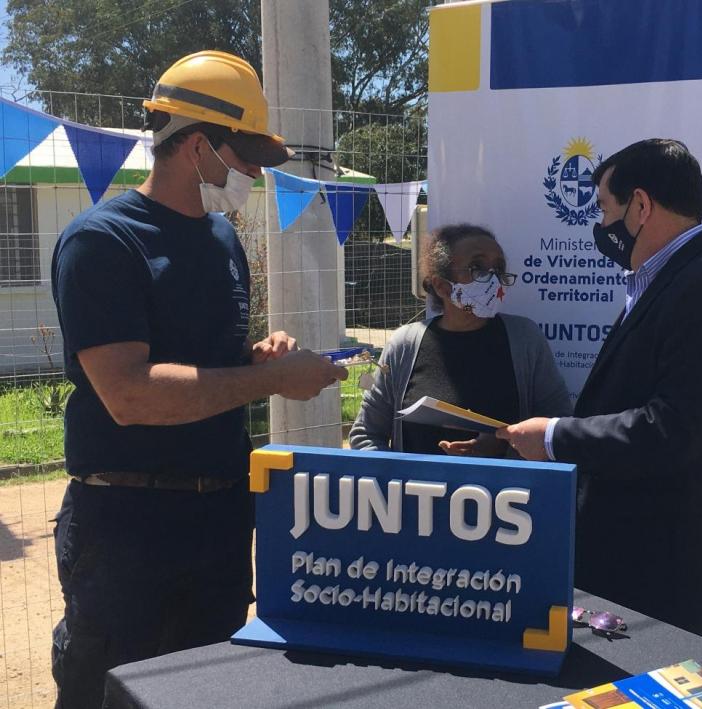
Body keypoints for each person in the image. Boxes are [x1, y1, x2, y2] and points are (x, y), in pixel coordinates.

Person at [49, 51, 347, 708]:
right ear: (194, 146)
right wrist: (269, 384)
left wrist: (259, 358)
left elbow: (204, 358)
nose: (253, 173)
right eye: (244, 157)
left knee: (207, 691)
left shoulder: (221, 239)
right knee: (110, 690)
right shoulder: (103, 242)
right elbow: (130, 394)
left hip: (218, 518)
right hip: (128, 526)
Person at [497, 139, 702, 643]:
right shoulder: (668, 280)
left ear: (641, 206)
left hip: (672, 565)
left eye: (603, 208)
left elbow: (673, 429)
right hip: (642, 554)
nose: (600, 226)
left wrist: (557, 437)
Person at [349, 223, 571, 456]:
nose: (493, 277)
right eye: (478, 267)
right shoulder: (404, 344)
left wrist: (504, 448)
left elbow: (557, 428)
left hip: (504, 490)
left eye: (498, 267)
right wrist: (395, 480)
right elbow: (366, 433)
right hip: (418, 490)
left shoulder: (525, 338)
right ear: (442, 286)